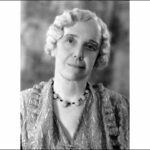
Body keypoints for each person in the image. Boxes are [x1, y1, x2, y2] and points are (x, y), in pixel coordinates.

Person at [20, 8, 129, 149]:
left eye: (90, 46)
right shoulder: (21, 106)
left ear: (98, 56)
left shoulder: (118, 108)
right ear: (54, 45)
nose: (78, 53)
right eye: (70, 40)